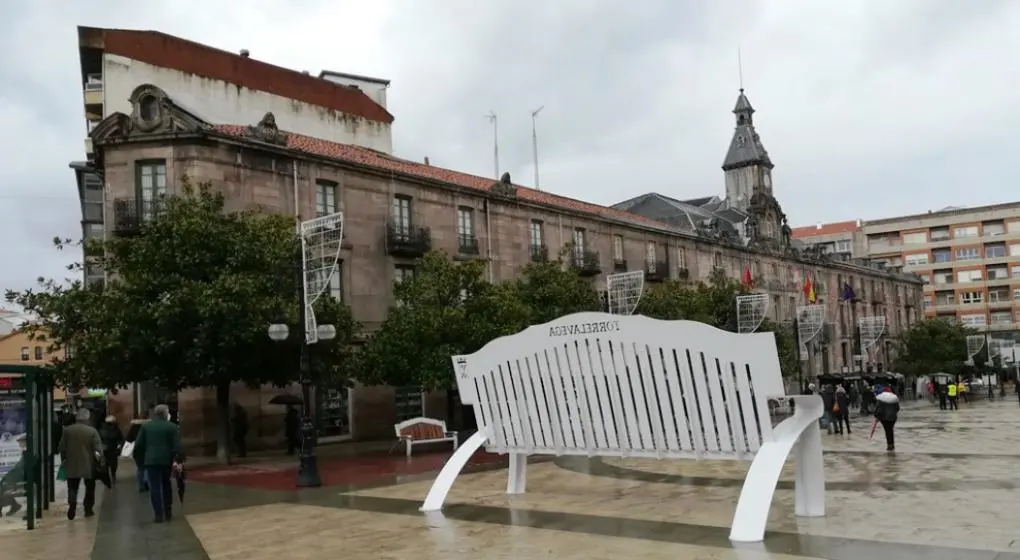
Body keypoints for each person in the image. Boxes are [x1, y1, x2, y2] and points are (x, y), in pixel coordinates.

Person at [132, 404, 181, 523]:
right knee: (166, 485)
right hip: (166, 460)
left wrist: (140, 458)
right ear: (165, 414)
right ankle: (168, 512)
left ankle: (158, 515)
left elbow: (138, 444)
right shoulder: (172, 426)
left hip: (151, 460)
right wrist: (178, 459)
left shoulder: (146, 426)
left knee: (154, 487)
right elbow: (177, 445)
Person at [58, 408, 102, 520]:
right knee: (90, 487)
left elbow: (61, 447)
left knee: (72, 486)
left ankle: (72, 503)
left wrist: (65, 457)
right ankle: (88, 509)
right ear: (87, 419)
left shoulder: (67, 431)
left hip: (72, 463)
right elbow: (98, 450)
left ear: (77, 418)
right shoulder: (92, 431)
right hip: (89, 464)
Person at [126, 413, 150, 492]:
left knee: (140, 468)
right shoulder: (149, 426)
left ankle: (141, 485)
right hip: (148, 449)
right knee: (147, 467)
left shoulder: (134, 427)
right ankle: (147, 482)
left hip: (137, 450)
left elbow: (129, 439)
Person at [99, 415, 124, 487]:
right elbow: (120, 439)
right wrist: (119, 446)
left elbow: (99, 439)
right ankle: (113, 476)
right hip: (113, 449)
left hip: (105, 449)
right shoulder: (116, 429)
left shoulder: (102, 429)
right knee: (113, 464)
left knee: (105, 464)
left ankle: (107, 478)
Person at [874, 386, 901, 452]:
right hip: (893, 417)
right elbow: (898, 408)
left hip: (884, 417)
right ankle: (892, 444)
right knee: (890, 430)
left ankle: (889, 445)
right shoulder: (894, 398)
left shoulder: (881, 398)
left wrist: (876, 415)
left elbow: (878, 408)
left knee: (887, 431)